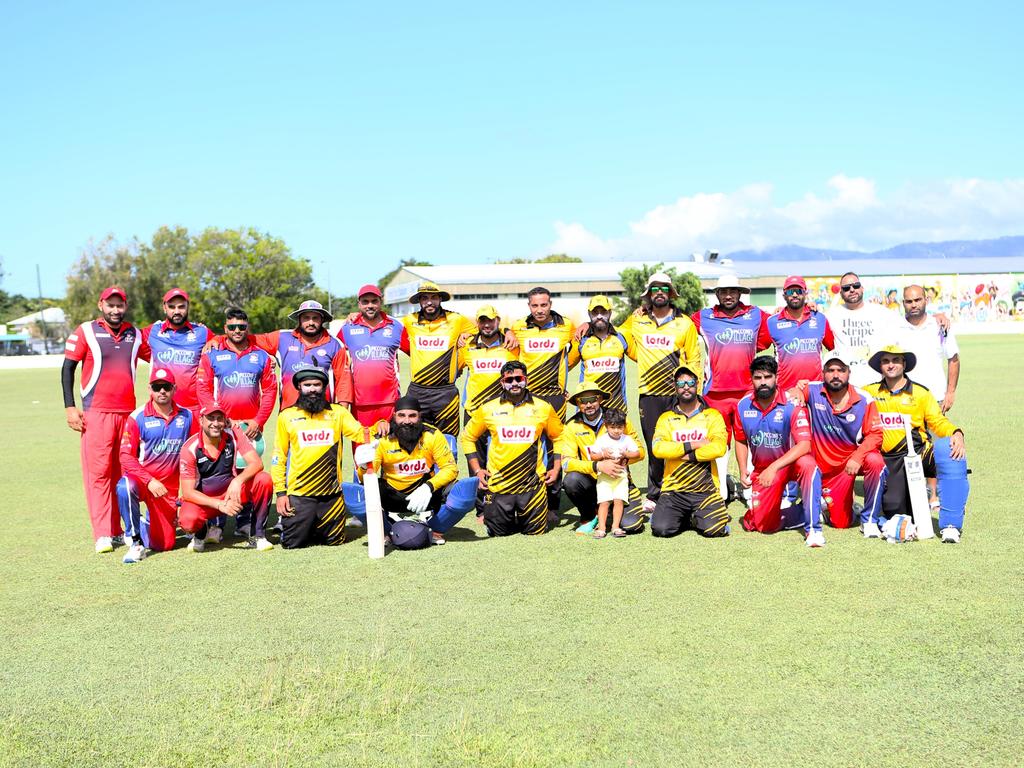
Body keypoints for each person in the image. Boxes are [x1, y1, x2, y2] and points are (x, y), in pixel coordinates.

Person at [62, 286, 145, 553]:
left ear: (125, 306)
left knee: (123, 473)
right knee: (98, 474)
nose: (115, 310)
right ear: (101, 305)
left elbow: (164, 352)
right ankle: (103, 534)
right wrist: (70, 407)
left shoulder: (136, 334)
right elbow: (68, 369)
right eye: (110, 305)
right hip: (96, 413)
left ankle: (124, 530)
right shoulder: (85, 331)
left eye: (119, 305)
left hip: (128, 414)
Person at [862, 345, 969, 543]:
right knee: (897, 510)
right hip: (888, 460)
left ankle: (950, 526)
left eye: (895, 360)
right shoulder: (868, 393)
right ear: (880, 366)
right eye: (885, 361)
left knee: (949, 450)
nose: (890, 365)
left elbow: (937, 421)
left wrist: (956, 432)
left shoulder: (920, 393)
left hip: (919, 454)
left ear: (904, 364)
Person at [271, 365, 386, 548]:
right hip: (300, 495)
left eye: (317, 384)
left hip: (331, 495)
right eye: (307, 385)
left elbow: (360, 434)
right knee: (292, 544)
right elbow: (279, 456)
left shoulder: (337, 413)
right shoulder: (287, 416)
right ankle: (307, 523)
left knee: (335, 542)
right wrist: (281, 493)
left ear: (324, 387)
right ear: (299, 387)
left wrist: (379, 426)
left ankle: (317, 524)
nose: (312, 389)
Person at [618, 272, 701, 512]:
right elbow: (617, 335)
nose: (660, 292)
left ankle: (681, 488)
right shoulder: (636, 320)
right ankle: (654, 494)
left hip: (678, 394)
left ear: (671, 293)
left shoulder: (685, 323)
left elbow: (694, 359)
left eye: (664, 288)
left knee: (679, 443)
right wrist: (585, 324)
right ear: (649, 294)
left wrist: (694, 393)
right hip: (649, 393)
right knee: (655, 446)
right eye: (655, 289)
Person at [352, 396, 478, 548]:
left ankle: (436, 530)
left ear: (420, 416)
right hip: (392, 495)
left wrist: (429, 487)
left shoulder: (432, 435)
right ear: (394, 416)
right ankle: (384, 531)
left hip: (426, 494)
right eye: (401, 415)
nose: (407, 421)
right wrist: (365, 467)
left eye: (412, 415)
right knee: (359, 494)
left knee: (464, 491)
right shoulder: (382, 438)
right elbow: (365, 478)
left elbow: (451, 469)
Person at [691, 274, 772, 501]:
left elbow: (775, 328)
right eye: (724, 291)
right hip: (714, 392)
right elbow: (675, 324)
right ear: (717, 294)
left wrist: (809, 305)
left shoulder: (755, 315)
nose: (728, 295)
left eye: (733, 291)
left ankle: (748, 488)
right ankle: (721, 490)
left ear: (740, 293)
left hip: (747, 392)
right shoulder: (702, 317)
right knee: (719, 441)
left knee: (748, 439)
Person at [788, 354, 888, 535]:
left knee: (875, 461)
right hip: (819, 467)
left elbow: (875, 435)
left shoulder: (864, 399)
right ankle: (821, 500)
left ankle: (869, 520)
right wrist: (795, 391)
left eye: (841, 370)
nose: (836, 375)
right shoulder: (812, 390)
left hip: (848, 467)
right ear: (823, 373)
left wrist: (857, 457)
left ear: (849, 372)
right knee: (840, 522)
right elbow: (792, 394)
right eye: (831, 370)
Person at [462, 361, 563, 536]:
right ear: (502, 382)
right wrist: (477, 470)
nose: (514, 383)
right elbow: (468, 437)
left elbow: (559, 436)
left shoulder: (543, 408)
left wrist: (556, 468)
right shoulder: (487, 409)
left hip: (532, 485)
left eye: (519, 378)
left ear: (526, 380)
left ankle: (530, 514)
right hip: (499, 485)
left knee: (535, 532)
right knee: (497, 533)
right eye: (509, 380)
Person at [732, 357, 824, 547]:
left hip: (790, 465)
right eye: (758, 377)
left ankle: (813, 529)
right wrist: (742, 470)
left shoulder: (792, 403)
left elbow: (805, 445)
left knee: (809, 464)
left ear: (776, 378)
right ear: (752, 379)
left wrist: (774, 467)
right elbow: (740, 439)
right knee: (761, 525)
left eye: (768, 376)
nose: (763, 382)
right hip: (764, 470)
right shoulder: (742, 405)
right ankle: (808, 509)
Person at [116, 368, 198, 562]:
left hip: (169, 489)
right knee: (124, 486)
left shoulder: (187, 416)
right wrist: (150, 480)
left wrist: (186, 491)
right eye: (157, 387)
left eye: (166, 387)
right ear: (150, 389)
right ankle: (135, 542)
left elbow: (196, 450)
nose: (162, 391)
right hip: (144, 482)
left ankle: (147, 523)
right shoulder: (137, 417)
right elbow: (125, 456)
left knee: (165, 545)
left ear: (174, 389)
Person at [213, 299, 353, 411]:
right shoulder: (282, 338)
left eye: (315, 318)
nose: (310, 322)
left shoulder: (334, 344)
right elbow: (245, 337)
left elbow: (344, 380)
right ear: (299, 319)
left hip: (324, 413)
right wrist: (218, 339)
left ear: (322, 320)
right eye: (306, 317)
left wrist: (343, 412)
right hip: (289, 415)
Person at [510, 287, 575, 515]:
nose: (539, 310)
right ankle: (528, 499)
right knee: (528, 448)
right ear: (529, 306)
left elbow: (576, 349)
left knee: (555, 447)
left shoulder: (565, 325)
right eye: (535, 305)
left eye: (544, 305)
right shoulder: (518, 327)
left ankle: (553, 505)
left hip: (555, 397)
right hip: (529, 396)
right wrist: (507, 332)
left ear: (550, 304)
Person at [178, 402, 274, 552]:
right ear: (201, 420)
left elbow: (257, 463)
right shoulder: (189, 448)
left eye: (219, 418)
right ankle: (202, 533)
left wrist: (237, 480)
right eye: (211, 418)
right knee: (187, 521)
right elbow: (188, 492)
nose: (215, 423)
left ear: (225, 420)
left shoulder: (233, 434)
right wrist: (219, 505)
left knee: (263, 479)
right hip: (206, 501)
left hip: (232, 493)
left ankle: (258, 535)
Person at [649, 365, 730, 538]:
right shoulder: (666, 418)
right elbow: (658, 448)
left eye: (690, 382)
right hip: (674, 490)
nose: (686, 387)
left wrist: (689, 456)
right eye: (681, 383)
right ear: (675, 386)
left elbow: (719, 447)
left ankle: (697, 516)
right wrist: (692, 444)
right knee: (661, 529)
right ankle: (687, 517)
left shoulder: (712, 415)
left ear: (697, 384)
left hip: (705, 489)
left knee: (713, 530)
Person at [400, 281, 485, 440]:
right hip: (417, 391)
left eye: (433, 297)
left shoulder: (457, 320)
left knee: (448, 443)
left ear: (440, 299)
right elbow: (386, 326)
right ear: (419, 301)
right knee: (414, 442)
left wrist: (466, 339)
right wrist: (355, 316)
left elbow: (482, 332)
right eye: (424, 298)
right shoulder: (408, 320)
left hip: (445, 393)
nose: (429, 302)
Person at [557, 385, 646, 534]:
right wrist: (597, 466)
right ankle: (590, 515)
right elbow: (566, 463)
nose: (588, 404)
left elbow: (641, 452)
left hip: (620, 478)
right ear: (577, 404)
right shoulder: (571, 426)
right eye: (583, 401)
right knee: (571, 480)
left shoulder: (618, 419)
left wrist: (624, 457)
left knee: (632, 525)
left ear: (600, 399)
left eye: (592, 399)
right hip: (593, 481)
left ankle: (611, 512)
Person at [457, 306, 518, 517]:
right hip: (474, 411)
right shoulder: (467, 345)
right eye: (482, 321)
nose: (487, 325)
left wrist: (509, 331)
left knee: (499, 460)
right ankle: (481, 508)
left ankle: (501, 504)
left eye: (491, 320)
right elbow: (455, 368)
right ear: (477, 322)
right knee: (476, 462)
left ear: (498, 321)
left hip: (502, 412)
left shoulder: (511, 344)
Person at [339, 284, 408, 439]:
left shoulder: (396, 326)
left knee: (390, 451)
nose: (370, 305)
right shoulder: (348, 328)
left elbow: (416, 353)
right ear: (359, 303)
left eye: (373, 301)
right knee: (363, 453)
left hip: (390, 401)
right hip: (360, 403)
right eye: (365, 301)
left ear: (380, 301)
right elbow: (331, 351)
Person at [140, 288, 212, 417]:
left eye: (181, 307)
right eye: (172, 307)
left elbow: (226, 345)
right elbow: (128, 339)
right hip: (161, 409)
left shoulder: (202, 333)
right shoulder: (152, 331)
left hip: (193, 409)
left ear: (188, 307)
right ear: (164, 308)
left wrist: (217, 339)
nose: (177, 311)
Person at [897, 284, 960, 414]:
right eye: (909, 301)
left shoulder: (940, 326)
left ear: (926, 300)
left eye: (917, 300)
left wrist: (950, 392)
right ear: (903, 303)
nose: (913, 305)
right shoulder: (895, 328)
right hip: (903, 399)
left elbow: (953, 358)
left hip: (935, 398)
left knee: (936, 435)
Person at [826, 272, 897, 387]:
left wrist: (935, 317)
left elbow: (906, 323)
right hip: (845, 386)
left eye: (856, 286)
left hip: (876, 383)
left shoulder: (881, 313)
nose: (852, 289)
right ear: (841, 293)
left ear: (862, 288)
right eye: (846, 288)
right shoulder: (831, 315)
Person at [767, 275, 835, 392]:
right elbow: (754, 347)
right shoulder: (772, 322)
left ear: (805, 293)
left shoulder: (820, 318)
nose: (794, 295)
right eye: (790, 291)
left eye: (798, 291)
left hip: (816, 388)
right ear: (784, 295)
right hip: (786, 390)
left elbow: (833, 348)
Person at [567, 295, 632, 414]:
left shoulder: (622, 336)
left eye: (603, 312)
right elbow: (564, 367)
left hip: (616, 407)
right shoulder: (580, 338)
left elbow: (642, 357)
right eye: (595, 312)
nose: (599, 316)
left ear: (610, 313)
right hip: (587, 406)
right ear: (589, 314)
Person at [588, 408, 641, 539]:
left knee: (619, 501)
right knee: (604, 502)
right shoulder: (602, 440)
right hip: (604, 478)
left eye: (620, 427)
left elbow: (637, 453)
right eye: (613, 427)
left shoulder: (626, 439)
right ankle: (601, 528)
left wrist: (626, 454)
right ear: (606, 426)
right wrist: (602, 455)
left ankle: (615, 527)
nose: (617, 430)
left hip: (621, 476)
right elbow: (592, 456)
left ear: (624, 426)